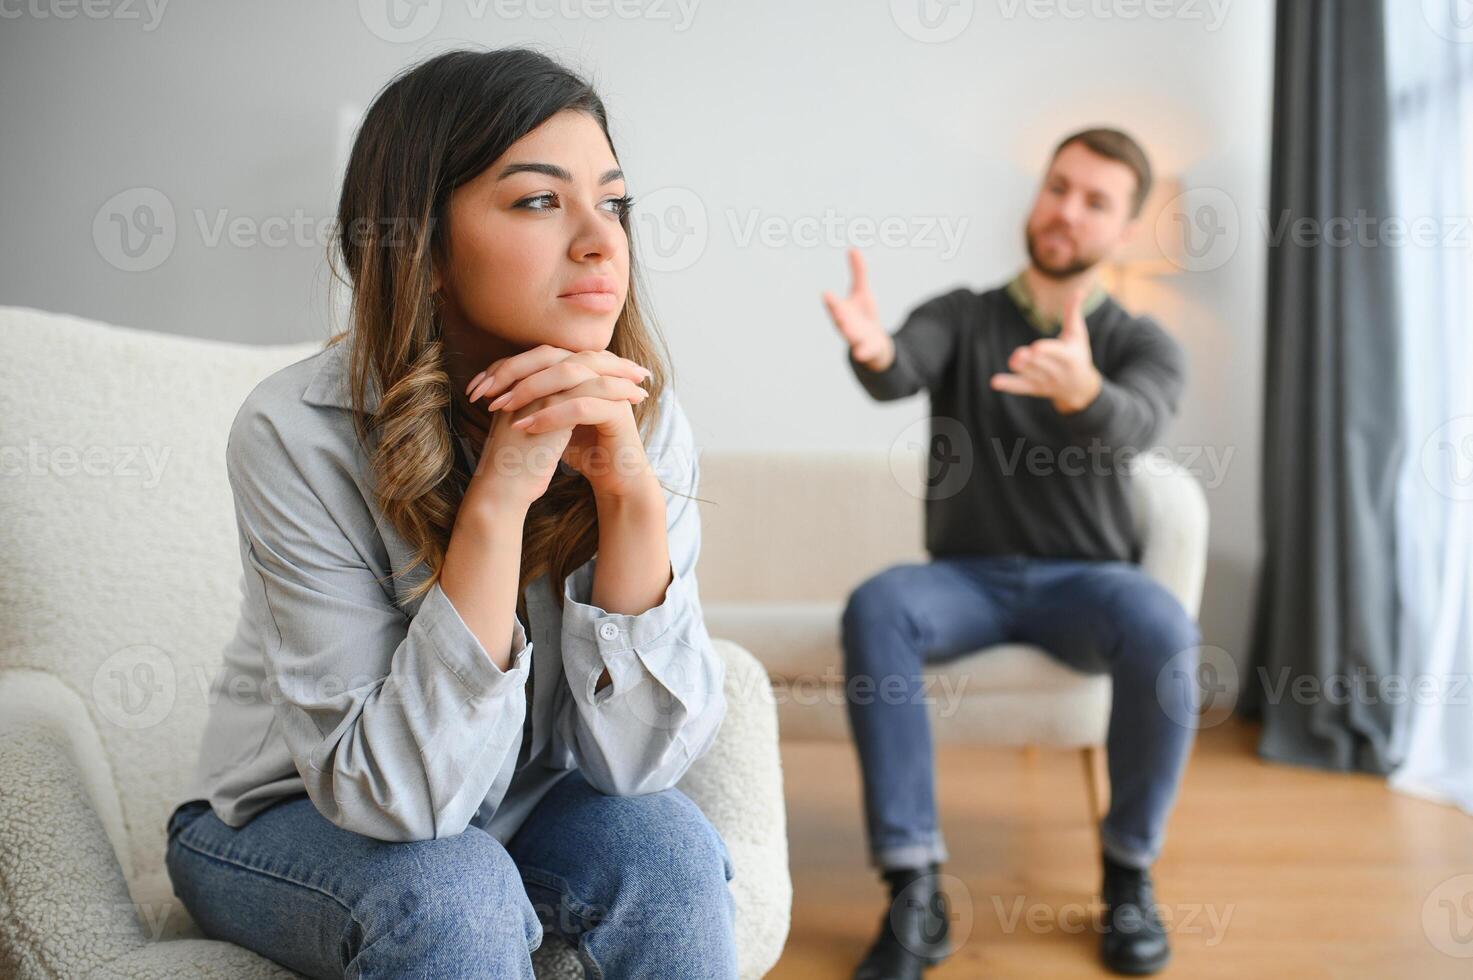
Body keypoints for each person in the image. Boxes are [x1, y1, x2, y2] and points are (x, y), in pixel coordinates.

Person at [164, 47, 736, 980]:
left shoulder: (646, 414)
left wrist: (629, 497)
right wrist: (499, 495)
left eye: (614, 201)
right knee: (452, 887)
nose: (601, 240)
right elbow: (395, 800)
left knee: (666, 849)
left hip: (523, 798)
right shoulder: (294, 432)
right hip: (290, 816)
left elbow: (637, 767)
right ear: (422, 251)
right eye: (540, 201)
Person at [822, 128, 1200, 978]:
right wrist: (874, 350)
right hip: (966, 582)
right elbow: (899, 367)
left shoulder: (1142, 344)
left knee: (1167, 628)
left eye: (1094, 200)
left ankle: (1128, 876)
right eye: (1058, 186)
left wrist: (1086, 393)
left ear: (1125, 229)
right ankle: (914, 891)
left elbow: (1139, 420)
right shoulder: (959, 314)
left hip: (1088, 583)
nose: (1066, 210)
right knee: (878, 603)